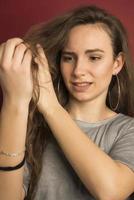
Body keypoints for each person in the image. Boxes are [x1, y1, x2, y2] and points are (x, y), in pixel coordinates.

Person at [0, 5, 134, 200]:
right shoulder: (30, 125)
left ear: (117, 63)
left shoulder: (127, 130)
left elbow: (110, 191)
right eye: (69, 58)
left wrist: (51, 107)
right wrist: (15, 101)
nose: (78, 70)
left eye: (94, 57)